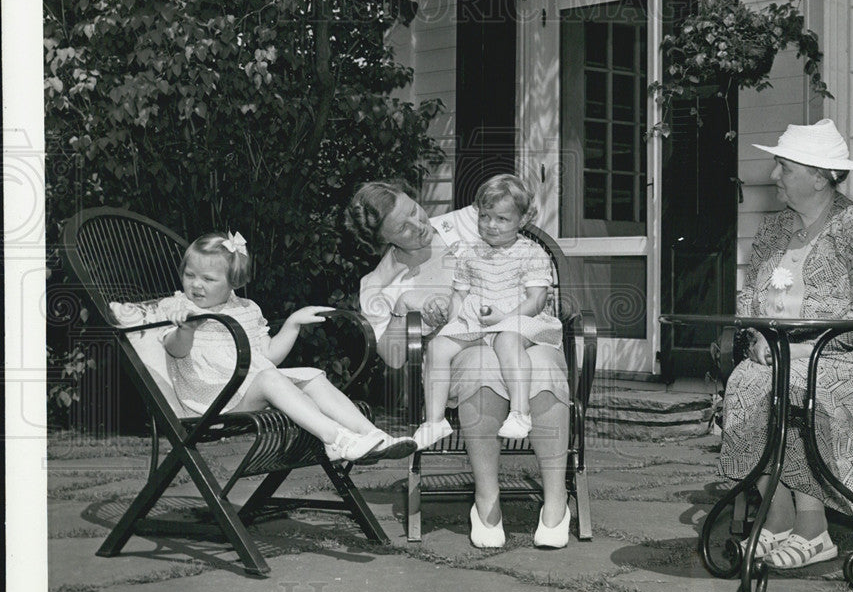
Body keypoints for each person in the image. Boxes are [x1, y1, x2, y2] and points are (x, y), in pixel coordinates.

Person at [349, 177, 572, 549]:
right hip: (461, 350)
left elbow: (514, 212)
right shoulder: (377, 284)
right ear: (384, 240)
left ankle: (556, 499)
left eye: (415, 211)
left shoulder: (466, 222)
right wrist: (407, 314)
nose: (421, 225)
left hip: (521, 330)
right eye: (403, 227)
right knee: (481, 365)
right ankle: (487, 500)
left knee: (543, 366)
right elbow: (392, 356)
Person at [721, 119, 853, 569]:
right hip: (781, 354)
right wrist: (759, 337)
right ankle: (777, 520)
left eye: (784, 167)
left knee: (797, 384)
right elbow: (749, 299)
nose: (774, 176)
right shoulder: (774, 230)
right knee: (746, 382)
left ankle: (814, 530)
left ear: (820, 177)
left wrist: (805, 349)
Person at [159, 230, 417, 464]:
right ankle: (336, 439)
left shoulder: (247, 309)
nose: (196, 284)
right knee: (270, 378)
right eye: (189, 275)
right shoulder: (178, 308)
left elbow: (269, 356)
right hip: (213, 406)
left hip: (246, 394)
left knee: (312, 377)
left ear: (233, 282)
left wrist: (293, 323)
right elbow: (175, 350)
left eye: (208, 279)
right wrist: (186, 330)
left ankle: (372, 435)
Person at [414, 175, 563, 447]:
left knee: (507, 338)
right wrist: (453, 327)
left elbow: (537, 299)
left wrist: (506, 319)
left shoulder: (531, 253)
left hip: (521, 320)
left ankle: (520, 412)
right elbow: (459, 294)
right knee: (437, 347)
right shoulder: (470, 253)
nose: (491, 225)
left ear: (522, 220)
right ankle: (435, 421)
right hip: (478, 323)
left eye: (502, 219)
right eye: (485, 216)